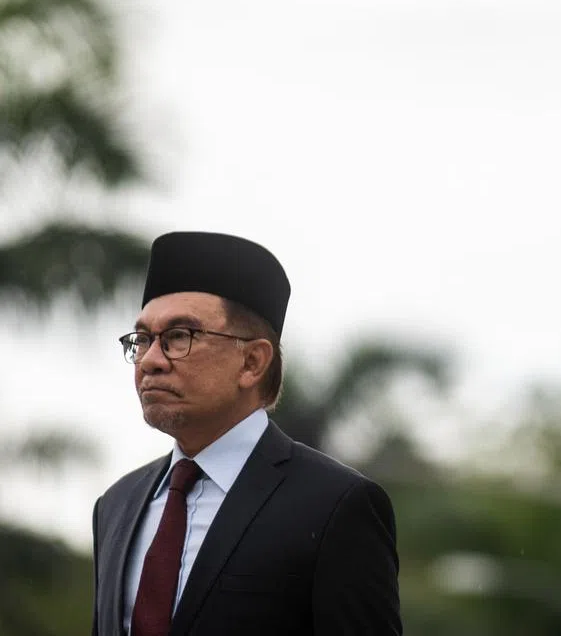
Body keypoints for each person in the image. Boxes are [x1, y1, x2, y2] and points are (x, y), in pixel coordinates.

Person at [90, 231, 401, 636]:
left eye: (179, 337)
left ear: (252, 362)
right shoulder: (116, 506)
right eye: (144, 339)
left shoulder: (335, 506)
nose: (150, 360)